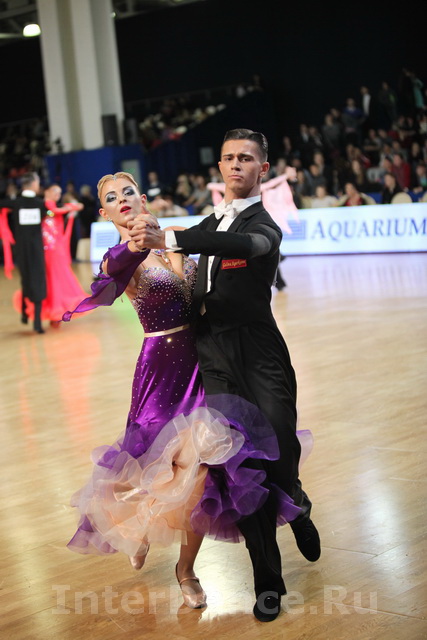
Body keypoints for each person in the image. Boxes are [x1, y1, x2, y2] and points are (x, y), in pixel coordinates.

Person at [63, 171, 307, 612]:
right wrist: (136, 244)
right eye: (112, 198)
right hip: (161, 370)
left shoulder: (174, 238)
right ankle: (136, 527)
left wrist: (169, 243)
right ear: (104, 213)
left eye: (128, 192)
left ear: (142, 197)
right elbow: (111, 271)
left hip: (204, 362)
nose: (122, 200)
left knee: (200, 474)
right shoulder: (120, 255)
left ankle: (186, 569)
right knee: (145, 464)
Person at [128, 129, 320, 623]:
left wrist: (174, 237)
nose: (236, 165)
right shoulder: (210, 222)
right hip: (212, 356)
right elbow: (174, 258)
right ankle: (268, 585)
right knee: (243, 472)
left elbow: (245, 244)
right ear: (219, 166)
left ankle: (296, 500)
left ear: (263, 167)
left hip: (259, 352)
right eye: (229, 157)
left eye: (246, 158)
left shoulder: (263, 226)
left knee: (281, 448)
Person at [14, 184, 86, 327]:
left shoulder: (53, 207)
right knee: (49, 279)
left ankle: (56, 312)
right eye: (55, 191)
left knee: (58, 279)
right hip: (46, 250)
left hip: (56, 249)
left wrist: (72, 207)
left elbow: (68, 209)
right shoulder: (43, 206)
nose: (58, 194)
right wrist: (70, 207)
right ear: (46, 191)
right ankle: (52, 311)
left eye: (59, 192)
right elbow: (53, 211)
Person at [2, 171, 47, 333]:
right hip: (36, 250)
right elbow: (49, 213)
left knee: (25, 278)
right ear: (33, 184)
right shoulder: (40, 203)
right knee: (38, 280)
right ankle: (36, 323)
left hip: (21, 249)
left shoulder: (15, 203)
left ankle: (24, 312)